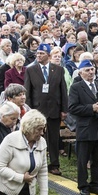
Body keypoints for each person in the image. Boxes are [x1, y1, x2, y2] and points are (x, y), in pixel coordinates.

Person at [23, 43, 68, 175]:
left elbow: (63, 90)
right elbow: (28, 91)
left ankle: (54, 164)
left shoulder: (58, 70)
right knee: (35, 137)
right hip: (37, 109)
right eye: (37, 53)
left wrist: (64, 109)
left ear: (48, 55)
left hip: (54, 108)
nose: (38, 55)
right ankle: (34, 164)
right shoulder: (31, 70)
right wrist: (29, 110)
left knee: (54, 138)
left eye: (42, 53)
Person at [68, 60, 98, 195]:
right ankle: (83, 185)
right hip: (85, 128)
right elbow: (73, 108)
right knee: (83, 159)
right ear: (80, 73)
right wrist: (91, 108)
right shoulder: (76, 87)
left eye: (92, 69)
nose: (91, 72)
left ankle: (95, 184)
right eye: (87, 70)